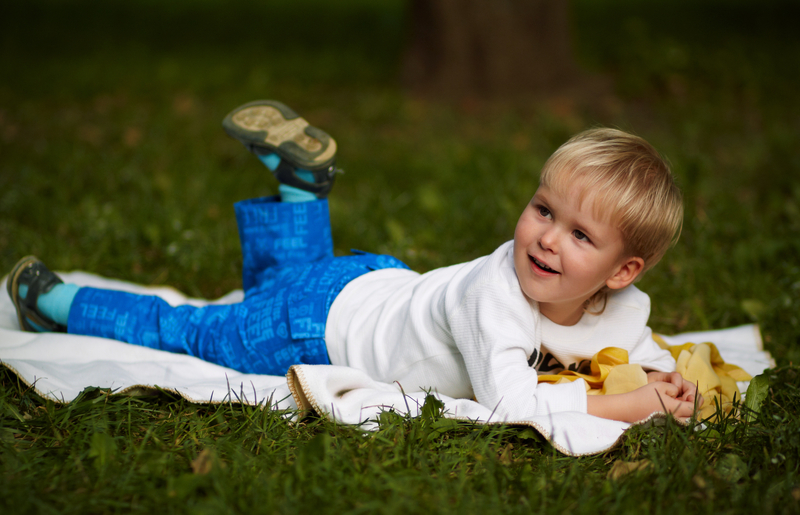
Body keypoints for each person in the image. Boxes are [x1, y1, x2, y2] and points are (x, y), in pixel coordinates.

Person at [6, 100, 701, 423]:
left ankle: (300, 189)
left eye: (579, 235)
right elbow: (511, 403)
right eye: (543, 210)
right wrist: (627, 404)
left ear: (622, 273)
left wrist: (662, 377)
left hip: (371, 283)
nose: (547, 239)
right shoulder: (497, 296)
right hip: (320, 329)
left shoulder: (619, 306)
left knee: (278, 286)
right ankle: (57, 303)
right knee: (194, 330)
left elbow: (629, 345)